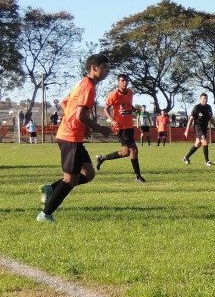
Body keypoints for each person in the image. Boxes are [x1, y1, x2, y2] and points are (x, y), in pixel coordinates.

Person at [37, 54, 112, 222]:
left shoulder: (82, 83)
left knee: (89, 174)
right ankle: (45, 214)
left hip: (72, 135)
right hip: (70, 137)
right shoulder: (89, 87)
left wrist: (78, 124)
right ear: (94, 68)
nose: (108, 71)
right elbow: (80, 115)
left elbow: (64, 102)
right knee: (71, 179)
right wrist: (100, 128)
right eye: (105, 67)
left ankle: (50, 188)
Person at [96, 74, 146, 183]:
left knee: (126, 152)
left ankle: (102, 158)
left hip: (129, 126)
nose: (125, 83)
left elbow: (128, 105)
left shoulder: (130, 93)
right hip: (120, 127)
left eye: (126, 81)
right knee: (134, 149)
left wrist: (135, 109)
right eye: (122, 81)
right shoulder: (114, 94)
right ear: (118, 82)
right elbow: (105, 109)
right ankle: (138, 177)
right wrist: (113, 121)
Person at [182, 93, 215, 166]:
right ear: (200, 99)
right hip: (198, 127)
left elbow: (211, 118)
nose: (205, 100)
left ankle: (186, 157)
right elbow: (190, 120)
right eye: (204, 98)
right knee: (205, 142)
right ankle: (207, 161)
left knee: (197, 144)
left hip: (204, 128)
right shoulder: (196, 107)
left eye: (206, 98)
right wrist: (186, 131)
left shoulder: (209, 107)